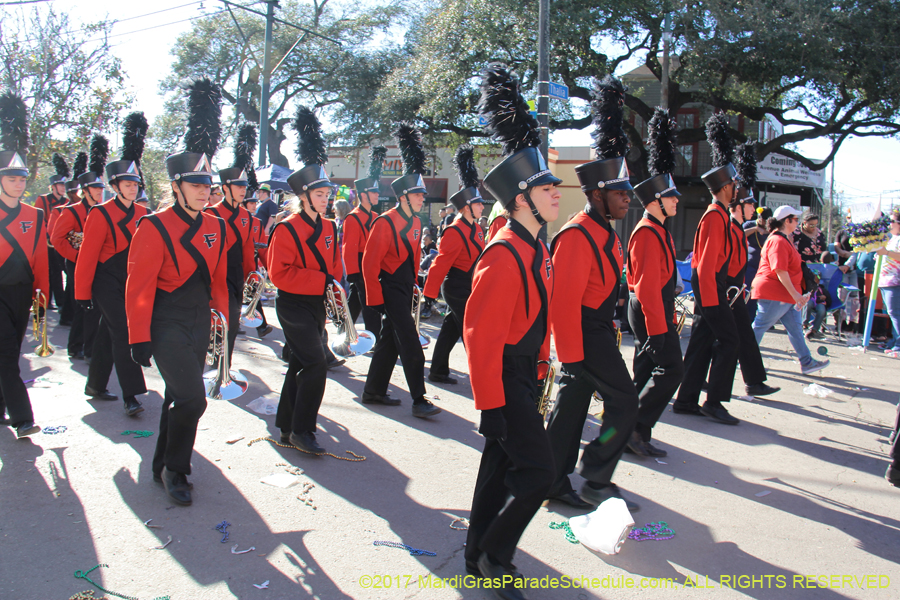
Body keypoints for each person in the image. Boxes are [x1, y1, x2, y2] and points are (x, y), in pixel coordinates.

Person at [463, 64, 559, 598]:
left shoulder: (533, 245)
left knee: (498, 472)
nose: (555, 193)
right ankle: (497, 554)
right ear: (521, 198)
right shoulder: (502, 255)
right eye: (546, 188)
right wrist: (491, 402)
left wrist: (541, 366)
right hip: (503, 376)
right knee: (538, 474)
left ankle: (477, 552)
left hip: (524, 371)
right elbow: (479, 335)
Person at [125, 78, 230, 506]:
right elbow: (138, 285)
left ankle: (157, 464)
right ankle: (176, 470)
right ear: (176, 185)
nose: (205, 190)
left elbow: (219, 281)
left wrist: (224, 327)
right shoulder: (152, 226)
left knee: (177, 396)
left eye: (208, 184)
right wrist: (137, 337)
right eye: (196, 184)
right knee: (192, 399)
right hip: (164, 319)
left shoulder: (217, 226)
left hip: (198, 320)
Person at [546, 74, 640, 510]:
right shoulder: (577, 235)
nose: (628, 200)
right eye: (621, 193)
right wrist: (570, 352)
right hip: (582, 333)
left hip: (599, 327)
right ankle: (596, 475)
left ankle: (552, 479)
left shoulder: (607, 232)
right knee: (624, 400)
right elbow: (562, 302)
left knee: (571, 407)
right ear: (599, 195)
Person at [267, 106, 343, 454]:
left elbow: (334, 264)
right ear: (303, 196)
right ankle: (303, 430)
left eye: (328, 195)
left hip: (317, 305)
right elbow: (278, 274)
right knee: (315, 364)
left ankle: (285, 425)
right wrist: (322, 281)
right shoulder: (286, 227)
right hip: (293, 303)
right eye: (319, 195)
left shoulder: (330, 227)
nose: (326, 200)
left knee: (300, 363)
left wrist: (335, 291)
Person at [361, 123, 440, 418]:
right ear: (404, 197)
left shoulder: (418, 223)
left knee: (389, 341)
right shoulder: (384, 222)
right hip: (389, 288)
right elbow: (369, 264)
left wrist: (416, 283)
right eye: (418, 195)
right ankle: (419, 399)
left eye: (422, 195)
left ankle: (373, 391)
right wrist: (374, 298)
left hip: (406, 287)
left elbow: (412, 256)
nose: (423, 199)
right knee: (408, 340)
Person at [75, 112, 150, 417]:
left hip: (130, 280)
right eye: (127, 183)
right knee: (123, 331)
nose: (133, 188)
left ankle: (94, 385)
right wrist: (81, 294)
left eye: (136, 183)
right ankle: (131, 394)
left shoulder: (144, 213)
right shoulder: (100, 213)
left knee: (109, 333)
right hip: (105, 280)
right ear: (115, 185)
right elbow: (87, 257)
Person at [673, 113, 741, 425]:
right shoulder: (715, 217)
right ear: (726, 187)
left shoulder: (720, 215)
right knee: (730, 341)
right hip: (711, 289)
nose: (738, 187)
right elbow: (707, 264)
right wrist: (714, 301)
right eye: (735, 183)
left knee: (701, 344)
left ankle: (686, 399)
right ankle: (714, 401)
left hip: (710, 290)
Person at [626, 107, 684, 458]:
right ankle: (637, 429)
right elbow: (646, 287)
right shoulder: (648, 232)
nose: (677, 200)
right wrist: (661, 329)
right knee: (672, 370)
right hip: (649, 309)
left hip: (654, 306)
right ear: (654, 202)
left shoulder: (657, 228)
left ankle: (622, 428)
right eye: (671, 196)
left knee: (644, 373)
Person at [0, 92, 49, 438]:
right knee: (5, 353)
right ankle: (22, 418)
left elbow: (41, 259)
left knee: (8, 352)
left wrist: (42, 296)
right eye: (12, 178)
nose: (19, 183)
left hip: (21, 294)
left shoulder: (35, 215)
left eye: (22, 179)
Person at [422, 145, 485, 385]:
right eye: (478, 204)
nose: (482, 207)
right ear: (466, 207)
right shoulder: (454, 231)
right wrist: (429, 293)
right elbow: (440, 264)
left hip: (470, 283)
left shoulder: (477, 228)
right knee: (472, 328)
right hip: (457, 285)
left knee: (451, 329)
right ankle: (481, 375)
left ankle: (438, 370)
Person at [722, 143, 779, 397]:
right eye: (750, 204)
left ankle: (753, 382)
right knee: (714, 341)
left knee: (743, 337)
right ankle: (702, 387)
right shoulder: (729, 224)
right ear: (740, 205)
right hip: (723, 290)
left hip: (737, 289)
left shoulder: (734, 225)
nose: (754, 209)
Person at [750, 205, 830, 375]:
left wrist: (796, 295)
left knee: (794, 328)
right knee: (759, 326)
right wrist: (796, 295)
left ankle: (807, 362)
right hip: (776, 292)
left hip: (784, 294)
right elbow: (780, 270)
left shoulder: (782, 239)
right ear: (787, 221)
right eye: (795, 220)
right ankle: (739, 357)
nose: (798, 223)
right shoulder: (778, 240)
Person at [52, 136, 109, 367]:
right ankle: (76, 347)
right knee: (80, 306)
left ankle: (89, 347)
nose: (99, 192)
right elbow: (57, 239)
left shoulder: (104, 211)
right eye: (95, 188)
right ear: (85, 191)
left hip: (98, 264)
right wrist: (78, 256)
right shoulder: (71, 211)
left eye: (101, 188)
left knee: (94, 307)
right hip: (76, 262)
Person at [205, 129, 257, 364]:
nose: (242, 189)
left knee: (234, 322)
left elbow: (247, 249)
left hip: (236, 275)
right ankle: (215, 359)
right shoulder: (210, 214)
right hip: (216, 275)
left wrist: (250, 278)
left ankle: (224, 363)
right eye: (237, 185)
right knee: (219, 318)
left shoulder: (247, 216)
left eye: (244, 185)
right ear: (225, 188)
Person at [346, 146, 384, 340]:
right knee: (370, 300)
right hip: (360, 263)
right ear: (363, 195)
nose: (378, 195)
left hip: (373, 261)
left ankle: (345, 330)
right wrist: (352, 272)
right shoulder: (353, 218)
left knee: (355, 300)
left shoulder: (377, 216)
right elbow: (349, 248)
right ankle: (373, 336)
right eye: (374, 192)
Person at [34, 153, 69, 311]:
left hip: (59, 241)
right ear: (53, 187)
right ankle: (44, 302)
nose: (63, 188)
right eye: (60, 186)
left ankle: (61, 302)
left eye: (64, 186)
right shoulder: (42, 199)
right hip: (44, 241)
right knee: (44, 273)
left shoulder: (67, 202)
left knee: (58, 272)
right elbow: (38, 219)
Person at [874, 212, 900, 357]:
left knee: (895, 313)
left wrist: (886, 253)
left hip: (894, 281)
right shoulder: (891, 238)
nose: (888, 224)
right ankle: (893, 341)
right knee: (891, 313)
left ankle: (898, 345)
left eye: (891, 221)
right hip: (885, 281)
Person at [744, 206, 772, 321]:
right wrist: (755, 229)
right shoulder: (750, 225)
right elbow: (740, 234)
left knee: (763, 295)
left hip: (765, 267)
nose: (763, 222)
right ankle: (747, 318)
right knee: (749, 293)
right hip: (751, 265)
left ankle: (763, 318)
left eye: (766, 220)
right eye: (762, 219)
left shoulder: (771, 227)